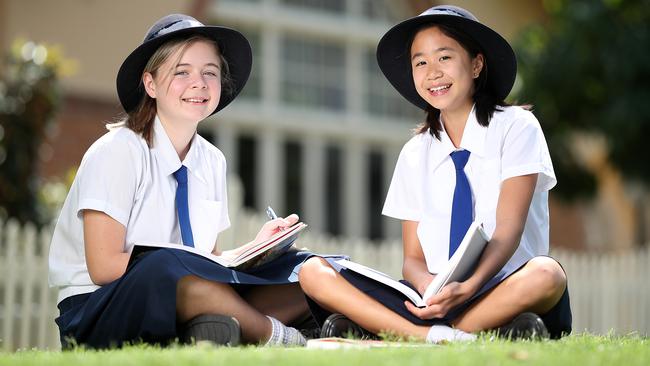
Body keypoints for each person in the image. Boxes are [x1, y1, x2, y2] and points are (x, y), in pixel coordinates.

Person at [299, 5, 572, 343]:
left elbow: (508, 231)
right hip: (433, 301)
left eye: (444, 57)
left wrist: (468, 287)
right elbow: (412, 259)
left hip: (501, 288)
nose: (432, 73)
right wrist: (429, 287)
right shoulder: (415, 153)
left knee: (547, 274)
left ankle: (402, 335)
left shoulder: (516, 128)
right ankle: (443, 335)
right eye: (420, 62)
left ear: (476, 64)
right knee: (312, 272)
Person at [49, 14, 317, 349]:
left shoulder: (212, 160)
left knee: (298, 269)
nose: (199, 83)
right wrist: (179, 266)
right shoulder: (117, 152)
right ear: (150, 84)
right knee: (169, 267)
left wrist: (258, 248)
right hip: (97, 307)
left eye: (210, 72)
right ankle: (279, 336)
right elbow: (103, 267)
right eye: (182, 72)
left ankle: (211, 327)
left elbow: (209, 257)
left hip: (181, 288)